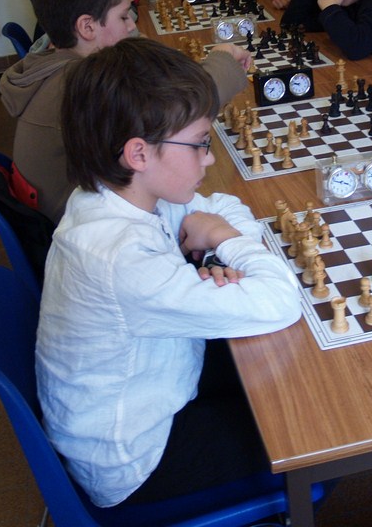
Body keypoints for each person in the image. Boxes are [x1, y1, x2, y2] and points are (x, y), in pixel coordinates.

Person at [36, 38, 301, 508]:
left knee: (276, 373)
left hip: (154, 388)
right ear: (138, 154)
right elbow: (281, 300)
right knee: (307, 427)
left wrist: (218, 231)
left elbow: (222, 205)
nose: (210, 158)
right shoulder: (119, 257)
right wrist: (225, 239)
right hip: (136, 461)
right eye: (199, 144)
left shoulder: (113, 194)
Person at [0, 0, 249, 223]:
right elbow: (176, 112)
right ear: (87, 27)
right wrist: (223, 58)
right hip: (89, 227)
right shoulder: (79, 85)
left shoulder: (51, 62)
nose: (132, 25)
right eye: (122, 17)